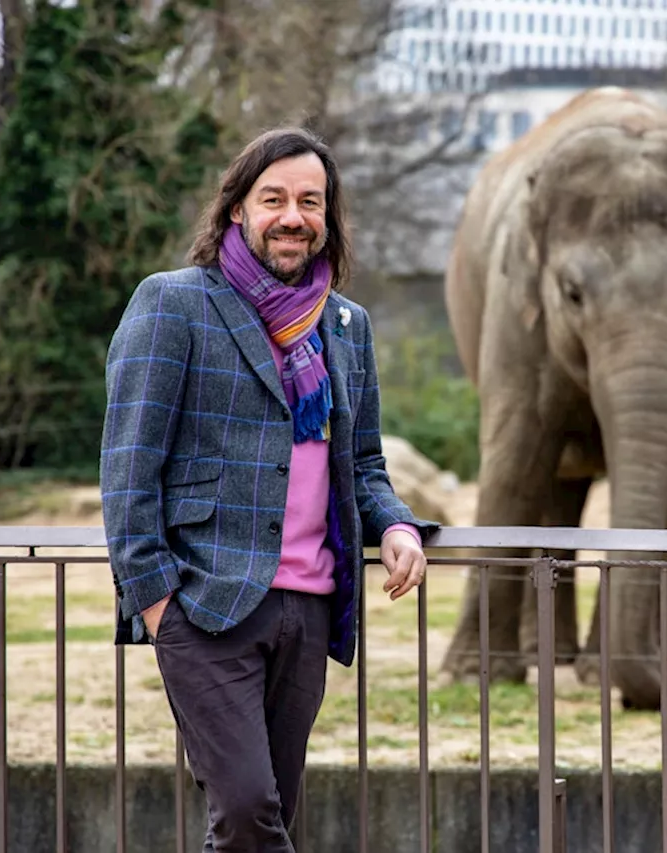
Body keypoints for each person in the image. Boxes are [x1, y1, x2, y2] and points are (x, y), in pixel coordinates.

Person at [99, 125, 438, 851]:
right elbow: (129, 472)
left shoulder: (346, 326)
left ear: (327, 217)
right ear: (236, 212)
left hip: (309, 612)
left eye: (310, 201)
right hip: (205, 606)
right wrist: (160, 605)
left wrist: (401, 527)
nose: (293, 216)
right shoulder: (174, 304)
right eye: (274, 198)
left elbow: (364, 464)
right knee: (252, 806)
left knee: (262, 814)